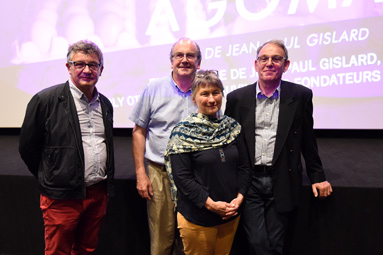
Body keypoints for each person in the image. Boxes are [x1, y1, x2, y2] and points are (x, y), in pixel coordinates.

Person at [224, 39, 333, 255]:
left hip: (282, 178)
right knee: (257, 242)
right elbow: (228, 142)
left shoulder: (300, 96)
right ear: (256, 64)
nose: (269, 63)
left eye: (276, 59)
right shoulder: (237, 98)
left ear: (286, 65)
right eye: (264, 59)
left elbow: (307, 139)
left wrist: (317, 176)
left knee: (276, 243)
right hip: (249, 181)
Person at [19, 40, 114, 255]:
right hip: (62, 195)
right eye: (79, 64)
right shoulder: (45, 100)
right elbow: (28, 148)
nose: (87, 70)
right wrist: (51, 175)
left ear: (101, 69)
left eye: (93, 65)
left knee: (86, 249)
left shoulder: (105, 104)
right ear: (68, 67)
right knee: (58, 251)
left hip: (97, 193)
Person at [164, 70, 252, 255]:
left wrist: (239, 199)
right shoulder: (182, 132)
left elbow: (244, 167)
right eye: (204, 94)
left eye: (216, 92)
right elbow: (182, 178)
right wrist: (211, 205)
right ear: (194, 99)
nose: (212, 99)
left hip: (230, 214)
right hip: (198, 217)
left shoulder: (233, 128)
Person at [129, 37, 201, 255]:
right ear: (171, 62)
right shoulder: (153, 89)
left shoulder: (207, 91)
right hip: (159, 173)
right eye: (179, 55)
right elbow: (139, 131)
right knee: (161, 241)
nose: (184, 60)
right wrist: (141, 173)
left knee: (189, 239)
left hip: (196, 175)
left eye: (190, 55)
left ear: (199, 62)